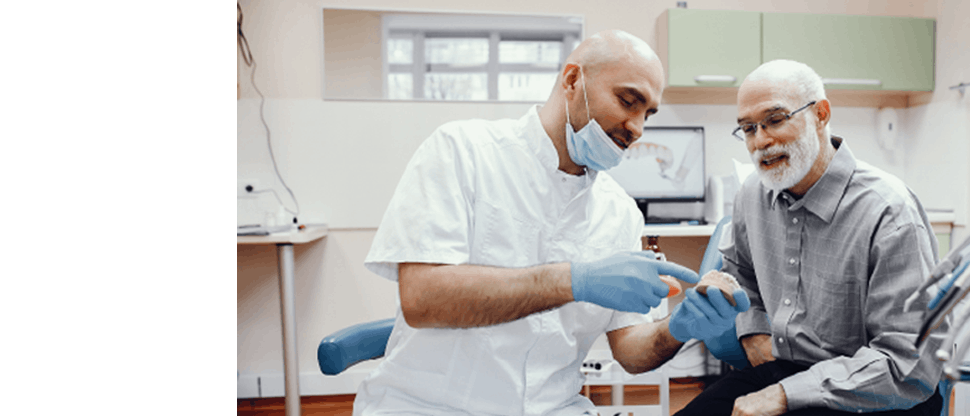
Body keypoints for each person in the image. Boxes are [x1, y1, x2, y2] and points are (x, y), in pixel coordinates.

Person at [354, 30, 750, 415]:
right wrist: (574, 280)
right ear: (573, 79)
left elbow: (630, 351)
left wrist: (677, 328)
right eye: (628, 101)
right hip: (432, 406)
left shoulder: (619, 212)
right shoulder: (462, 152)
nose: (637, 128)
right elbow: (423, 298)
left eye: (647, 113)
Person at [675, 60, 948, 416]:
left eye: (775, 120)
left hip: (875, 390)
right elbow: (739, 273)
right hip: (785, 370)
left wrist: (787, 395)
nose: (761, 141)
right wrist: (753, 331)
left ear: (821, 114)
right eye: (748, 128)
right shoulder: (752, 194)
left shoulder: (890, 211)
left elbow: (909, 364)